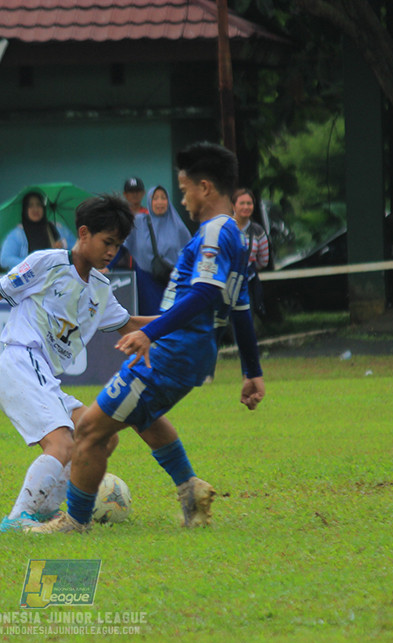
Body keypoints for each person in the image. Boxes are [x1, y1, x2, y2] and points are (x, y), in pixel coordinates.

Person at [29, 141, 265, 535]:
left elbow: (205, 293)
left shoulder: (214, 231)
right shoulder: (236, 238)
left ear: (205, 188)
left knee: (88, 429)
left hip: (173, 350)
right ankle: (191, 491)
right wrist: (252, 370)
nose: (182, 197)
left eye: (185, 187)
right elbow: (238, 307)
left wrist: (149, 334)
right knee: (142, 416)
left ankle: (75, 521)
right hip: (191, 350)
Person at [0, 195, 151, 532]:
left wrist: (183, 317)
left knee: (101, 436)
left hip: (43, 375)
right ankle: (17, 518)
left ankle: (43, 512)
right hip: (20, 362)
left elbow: (130, 324)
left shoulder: (100, 288)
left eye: (118, 244)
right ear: (83, 233)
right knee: (63, 443)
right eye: (107, 241)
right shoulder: (47, 263)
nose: (112, 251)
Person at [122, 185, 192, 315]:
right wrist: (108, 267)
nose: (160, 202)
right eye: (155, 198)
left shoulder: (178, 226)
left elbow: (190, 254)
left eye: (163, 198)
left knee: (170, 319)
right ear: (149, 201)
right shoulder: (139, 222)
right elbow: (123, 246)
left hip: (171, 283)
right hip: (146, 282)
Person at [0, 191, 76, 269]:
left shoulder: (58, 228)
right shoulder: (18, 234)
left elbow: (76, 249)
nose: (35, 209)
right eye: (30, 205)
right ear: (25, 209)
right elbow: (5, 259)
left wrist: (64, 245)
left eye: (39, 204)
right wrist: (31, 264)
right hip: (31, 278)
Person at [232, 188, 270, 319]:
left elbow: (263, 260)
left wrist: (250, 269)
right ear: (233, 205)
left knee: (247, 319)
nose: (246, 207)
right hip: (225, 283)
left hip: (248, 283)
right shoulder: (225, 228)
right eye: (242, 203)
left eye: (249, 203)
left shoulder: (258, 231)